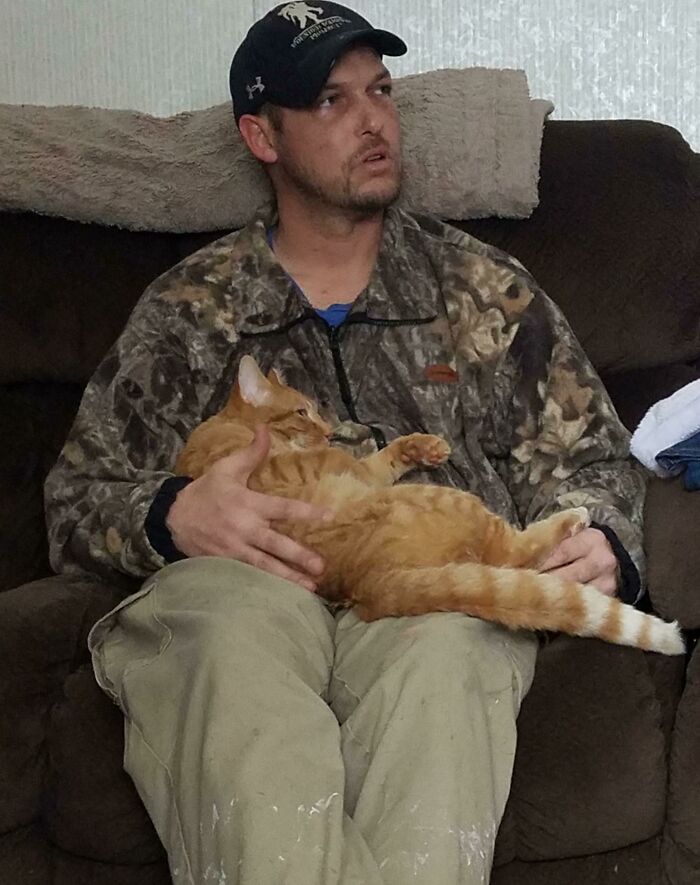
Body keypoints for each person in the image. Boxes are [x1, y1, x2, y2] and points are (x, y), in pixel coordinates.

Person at [45, 2, 647, 882]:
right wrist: (172, 513)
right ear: (261, 135)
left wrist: (593, 529)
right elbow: (71, 502)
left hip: (422, 597)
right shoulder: (192, 309)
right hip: (246, 600)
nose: (373, 120)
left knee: (451, 654)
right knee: (226, 643)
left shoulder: (481, 288)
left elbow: (594, 455)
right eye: (331, 100)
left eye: (381, 90)